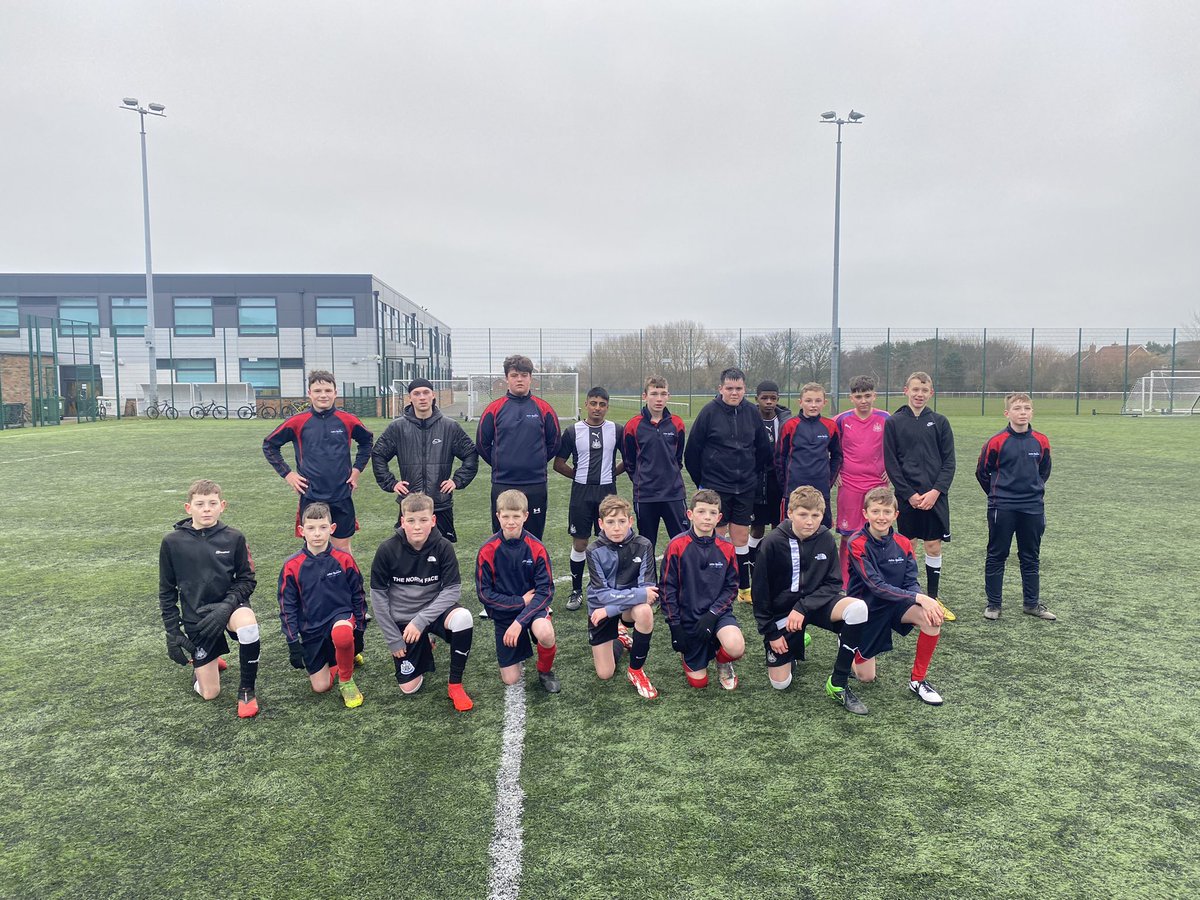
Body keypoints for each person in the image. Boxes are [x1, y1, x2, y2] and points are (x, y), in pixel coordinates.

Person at [751, 486, 871, 715]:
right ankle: (797, 642)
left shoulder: (825, 537)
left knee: (858, 608)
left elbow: (834, 583)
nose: (809, 521)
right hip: (783, 613)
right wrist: (771, 633)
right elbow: (760, 593)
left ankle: (838, 683)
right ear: (790, 513)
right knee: (781, 683)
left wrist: (803, 607)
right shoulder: (772, 542)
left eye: (815, 515)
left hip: (816, 605)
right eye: (803, 514)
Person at [158, 479, 260, 718]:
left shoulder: (234, 537)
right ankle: (203, 666)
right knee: (210, 693)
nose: (206, 509)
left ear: (222, 506)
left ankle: (247, 690)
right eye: (200, 504)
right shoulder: (172, 542)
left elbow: (247, 580)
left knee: (248, 624)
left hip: (230, 607)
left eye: (212, 503)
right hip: (199, 616)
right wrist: (172, 632)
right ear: (188, 507)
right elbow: (167, 590)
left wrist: (227, 606)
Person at [370, 492, 476, 711]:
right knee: (409, 688)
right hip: (404, 620)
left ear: (433, 520)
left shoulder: (443, 546)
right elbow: (378, 597)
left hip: (433, 613)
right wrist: (393, 639)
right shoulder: (387, 549)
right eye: (411, 520)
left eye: (423, 520)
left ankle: (455, 685)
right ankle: (424, 642)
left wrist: (421, 621)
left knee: (463, 618)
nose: (417, 526)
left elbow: (452, 590)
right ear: (402, 521)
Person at [847, 487, 946, 707]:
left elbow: (910, 581)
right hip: (868, 609)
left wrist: (921, 598)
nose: (881, 517)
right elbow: (876, 586)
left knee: (933, 618)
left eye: (886, 512)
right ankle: (848, 642)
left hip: (896, 604)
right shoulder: (856, 543)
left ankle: (918, 681)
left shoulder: (903, 543)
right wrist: (920, 598)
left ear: (895, 515)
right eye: (875, 511)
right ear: (865, 513)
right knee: (866, 678)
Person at [684, 368, 772, 603]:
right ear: (720, 389)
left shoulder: (752, 413)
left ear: (745, 389)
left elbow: (763, 450)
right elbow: (692, 452)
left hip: (744, 488)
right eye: (730, 388)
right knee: (718, 535)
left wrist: (750, 475)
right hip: (716, 487)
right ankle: (714, 585)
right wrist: (704, 482)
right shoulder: (709, 412)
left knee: (741, 537)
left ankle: (744, 588)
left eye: (739, 388)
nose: (734, 393)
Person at [263, 369, 374, 553]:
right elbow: (269, 445)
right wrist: (288, 475)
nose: (323, 395)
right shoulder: (297, 421)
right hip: (311, 495)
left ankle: (345, 574)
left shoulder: (347, 420)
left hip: (341, 494)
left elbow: (366, 441)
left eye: (328, 390)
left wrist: (356, 471)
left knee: (342, 548)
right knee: (315, 547)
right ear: (309, 393)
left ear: (335, 393)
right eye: (317, 391)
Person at [882, 371, 957, 622]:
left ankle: (933, 599)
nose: (919, 394)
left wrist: (936, 492)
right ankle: (908, 598)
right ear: (906, 390)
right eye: (915, 389)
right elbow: (891, 464)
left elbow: (949, 462)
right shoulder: (894, 422)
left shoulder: (940, 422)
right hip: (907, 498)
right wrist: (909, 495)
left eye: (924, 390)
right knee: (908, 545)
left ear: (931, 393)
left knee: (933, 545)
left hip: (935, 497)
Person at [278, 502, 368, 708]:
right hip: (312, 628)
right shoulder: (291, 565)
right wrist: (292, 642)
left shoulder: (344, 559)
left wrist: (360, 630)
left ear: (332, 528)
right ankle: (344, 656)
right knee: (321, 686)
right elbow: (287, 606)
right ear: (301, 531)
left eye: (323, 527)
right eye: (311, 528)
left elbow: (358, 595)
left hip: (341, 619)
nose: (317, 533)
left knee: (342, 634)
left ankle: (346, 680)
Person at [975, 392, 1056, 621]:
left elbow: (1044, 471)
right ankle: (993, 605)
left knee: (1030, 556)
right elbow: (982, 472)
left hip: (1032, 507)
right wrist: (998, 494)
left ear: (1032, 412)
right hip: (1002, 506)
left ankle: (1031, 604)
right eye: (1017, 408)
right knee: (997, 554)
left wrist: (1032, 490)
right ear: (1007, 413)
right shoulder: (996, 441)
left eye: (1027, 408)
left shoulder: (1041, 440)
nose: (1022, 413)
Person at [371, 376, 478, 541]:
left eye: (426, 392)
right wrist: (391, 483)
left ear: (433, 395)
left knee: (442, 550)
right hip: (409, 505)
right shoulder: (397, 427)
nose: (422, 397)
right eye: (417, 393)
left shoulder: (449, 427)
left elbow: (470, 453)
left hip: (440, 504)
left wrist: (457, 480)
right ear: (410, 398)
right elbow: (378, 454)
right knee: (408, 550)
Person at [476, 489, 561, 693]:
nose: (511, 522)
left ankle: (545, 671)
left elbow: (545, 592)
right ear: (498, 516)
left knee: (545, 633)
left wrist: (519, 622)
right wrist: (519, 602)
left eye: (516, 516)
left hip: (532, 610)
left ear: (525, 516)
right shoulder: (487, 550)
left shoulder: (537, 548)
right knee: (511, 680)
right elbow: (484, 594)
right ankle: (519, 645)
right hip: (505, 613)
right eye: (506, 516)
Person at [660, 490, 746, 690]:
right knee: (699, 683)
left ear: (719, 517)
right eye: (701, 511)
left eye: (712, 513)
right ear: (690, 514)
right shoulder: (676, 545)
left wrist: (712, 614)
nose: (707, 517)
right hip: (688, 618)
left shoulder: (727, 547)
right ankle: (692, 655)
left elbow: (732, 587)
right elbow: (666, 588)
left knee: (735, 647)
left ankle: (722, 660)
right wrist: (675, 626)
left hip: (717, 615)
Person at [476, 355, 561, 540]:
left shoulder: (544, 408)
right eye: (514, 375)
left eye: (524, 375)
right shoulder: (494, 409)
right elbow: (482, 444)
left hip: (535, 483)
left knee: (534, 538)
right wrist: (501, 463)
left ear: (531, 378)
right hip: (503, 482)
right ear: (507, 378)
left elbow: (554, 443)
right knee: (503, 537)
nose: (519, 379)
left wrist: (536, 461)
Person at [555, 387, 624, 611]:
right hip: (581, 493)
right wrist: (579, 476)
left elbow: (629, 460)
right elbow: (558, 463)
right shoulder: (572, 431)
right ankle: (576, 591)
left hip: (608, 493)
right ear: (586, 404)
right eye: (593, 403)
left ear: (607, 407)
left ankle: (610, 589)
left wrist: (611, 473)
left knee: (611, 540)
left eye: (602, 404)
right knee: (580, 542)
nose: (597, 408)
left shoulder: (617, 430)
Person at [585, 495, 659, 699]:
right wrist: (637, 595)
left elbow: (649, 593)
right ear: (601, 524)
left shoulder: (644, 545)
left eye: (621, 521)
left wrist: (610, 610)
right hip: (601, 605)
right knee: (605, 673)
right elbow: (603, 594)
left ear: (630, 521)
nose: (616, 528)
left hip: (620, 608)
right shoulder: (593, 550)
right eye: (610, 522)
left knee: (644, 611)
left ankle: (636, 671)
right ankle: (619, 639)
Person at [834, 375, 891, 587]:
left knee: (879, 530)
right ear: (851, 398)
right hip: (849, 483)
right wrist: (834, 471)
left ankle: (878, 579)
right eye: (858, 397)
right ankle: (845, 581)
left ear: (874, 396)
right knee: (848, 534)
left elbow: (897, 447)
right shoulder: (841, 420)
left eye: (867, 396)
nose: (863, 401)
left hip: (877, 484)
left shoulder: (886, 419)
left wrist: (891, 470)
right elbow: (828, 447)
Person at [622, 375, 688, 554]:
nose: (659, 399)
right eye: (654, 394)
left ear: (668, 396)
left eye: (663, 394)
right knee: (646, 545)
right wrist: (641, 479)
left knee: (682, 542)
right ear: (645, 396)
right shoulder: (633, 425)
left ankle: (680, 573)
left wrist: (670, 475)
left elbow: (678, 458)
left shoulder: (677, 423)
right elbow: (629, 461)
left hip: (673, 494)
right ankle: (649, 575)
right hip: (646, 495)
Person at [776, 382, 842, 530]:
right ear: (800, 402)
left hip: (821, 489)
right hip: (794, 489)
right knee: (791, 530)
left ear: (824, 402)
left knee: (821, 530)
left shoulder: (830, 426)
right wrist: (785, 484)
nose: (813, 405)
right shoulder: (790, 425)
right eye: (808, 401)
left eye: (818, 401)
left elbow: (837, 456)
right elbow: (779, 458)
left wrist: (829, 480)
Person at [747, 380, 791, 576]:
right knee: (757, 526)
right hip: (756, 481)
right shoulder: (749, 419)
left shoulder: (785, 421)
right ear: (757, 399)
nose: (769, 402)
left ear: (778, 399)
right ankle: (752, 563)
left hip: (778, 480)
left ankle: (775, 563)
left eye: (773, 398)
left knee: (778, 525)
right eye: (764, 398)